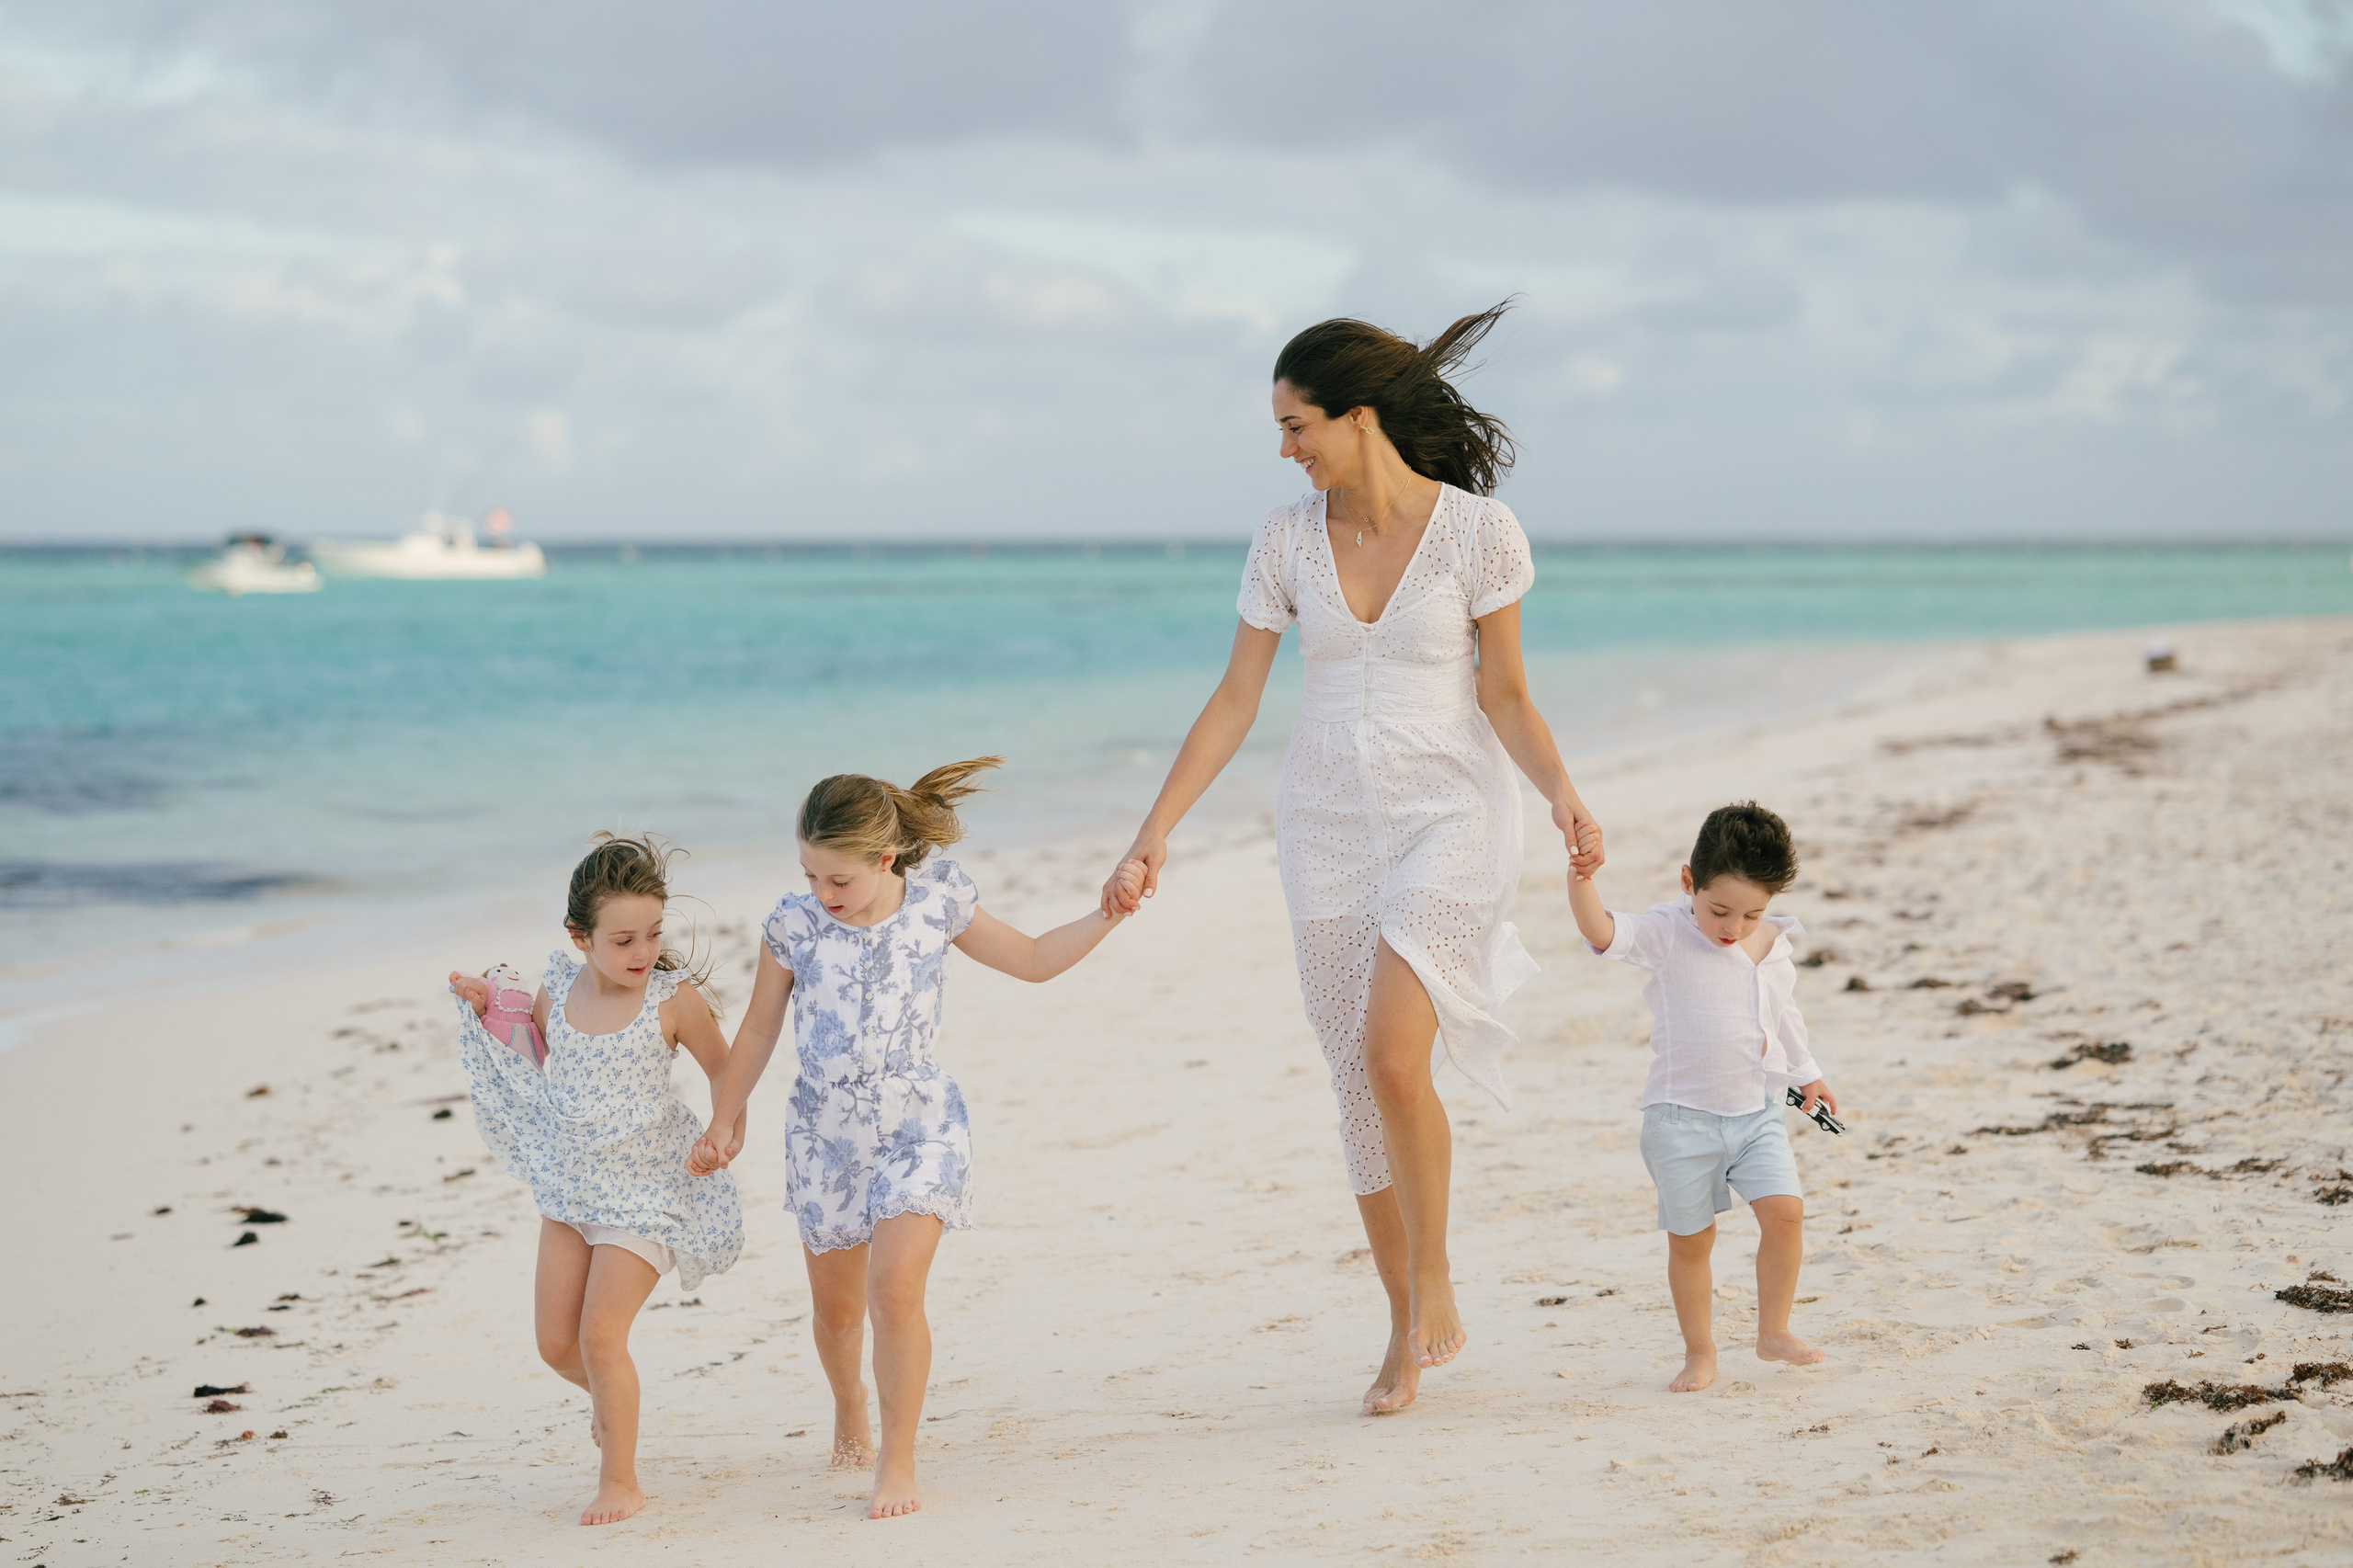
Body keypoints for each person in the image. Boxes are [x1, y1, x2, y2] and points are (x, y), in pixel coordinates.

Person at [1102, 304, 1604, 1414]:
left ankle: (1434, 1276)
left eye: (1296, 425)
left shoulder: (1480, 532)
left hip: (1450, 815)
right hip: (1324, 824)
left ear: (1355, 415)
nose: (1285, 449)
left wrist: (1562, 794)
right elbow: (1237, 699)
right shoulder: (1284, 540)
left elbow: (1506, 694)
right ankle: (1401, 1321)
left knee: (1390, 1053)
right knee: (1353, 1083)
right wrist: (1155, 827)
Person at [689, 758, 1142, 1518]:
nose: (821, 894)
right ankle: (849, 1405)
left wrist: (1109, 914)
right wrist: (725, 1115)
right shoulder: (792, 927)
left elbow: (1031, 960)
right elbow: (762, 1026)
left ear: (885, 858)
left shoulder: (937, 906)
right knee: (837, 1316)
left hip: (918, 1123)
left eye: (838, 880)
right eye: (810, 875)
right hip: (823, 1133)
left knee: (893, 1292)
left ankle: (895, 1463)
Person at [448, 834, 745, 1525]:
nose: (641, 953)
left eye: (651, 935)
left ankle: (621, 1481)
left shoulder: (672, 1001)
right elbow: (537, 1048)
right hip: (572, 1190)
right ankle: (610, 1404)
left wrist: (724, 1132)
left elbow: (729, 1071)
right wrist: (488, 1002)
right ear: (580, 937)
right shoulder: (560, 985)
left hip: (645, 1195)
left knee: (600, 1338)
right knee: (557, 1346)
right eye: (622, 940)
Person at [1563, 801, 1838, 1393]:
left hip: (1758, 1114)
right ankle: (1700, 1351)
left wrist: (1807, 1075)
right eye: (1719, 910)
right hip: (1680, 1120)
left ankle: (1774, 1332)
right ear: (1689, 881)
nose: (1731, 928)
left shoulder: (1772, 944)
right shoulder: (1667, 932)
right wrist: (1582, 878)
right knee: (1693, 1241)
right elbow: (1603, 932)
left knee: (1786, 1214)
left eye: (1751, 913)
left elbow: (1783, 1014)